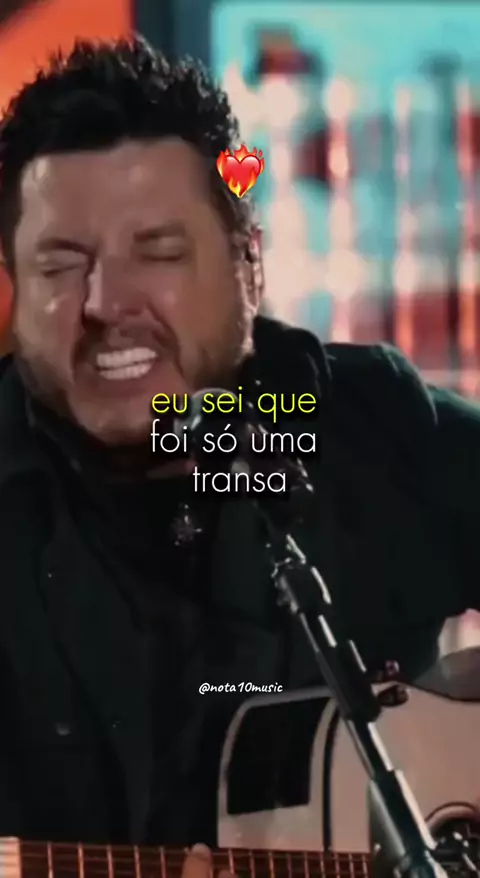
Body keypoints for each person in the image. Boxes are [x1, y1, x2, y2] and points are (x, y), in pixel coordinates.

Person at [0, 34, 479, 866]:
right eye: (60, 266)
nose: (106, 302)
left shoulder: (375, 427)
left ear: (248, 263)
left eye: (159, 252)